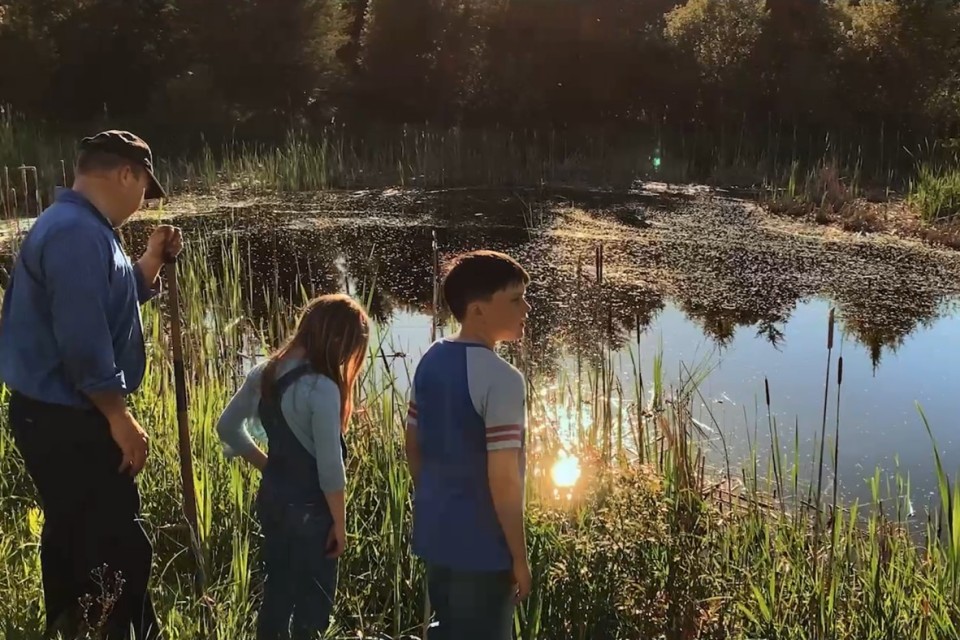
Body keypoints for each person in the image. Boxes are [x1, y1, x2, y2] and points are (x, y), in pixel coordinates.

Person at [0, 130, 181, 639]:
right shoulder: (78, 234)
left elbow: (107, 305)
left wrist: (149, 260)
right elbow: (82, 345)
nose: (143, 198)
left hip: (59, 415)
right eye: (145, 185)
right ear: (127, 174)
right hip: (70, 419)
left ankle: (71, 627)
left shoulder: (81, 227)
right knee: (115, 544)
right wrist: (120, 420)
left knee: (74, 535)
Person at [215, 293, 370, 640]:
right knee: (313, 602)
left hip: (272, 501)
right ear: (336, 340)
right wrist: (340, 526)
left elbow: (226, 427)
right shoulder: (322, 387)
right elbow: (330, 469)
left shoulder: (265, 370)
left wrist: (266, 465)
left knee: (277, 591)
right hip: (313, 512)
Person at [405, 250, 533, 640]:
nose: (526, 308)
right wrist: (519, 557)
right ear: (478, 311)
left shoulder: (431, 358)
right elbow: (504, 480)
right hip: (482, 550)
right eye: (515, 299)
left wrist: (436, 499)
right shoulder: (503, 379)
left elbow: (412, 445)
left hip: (436, 534)